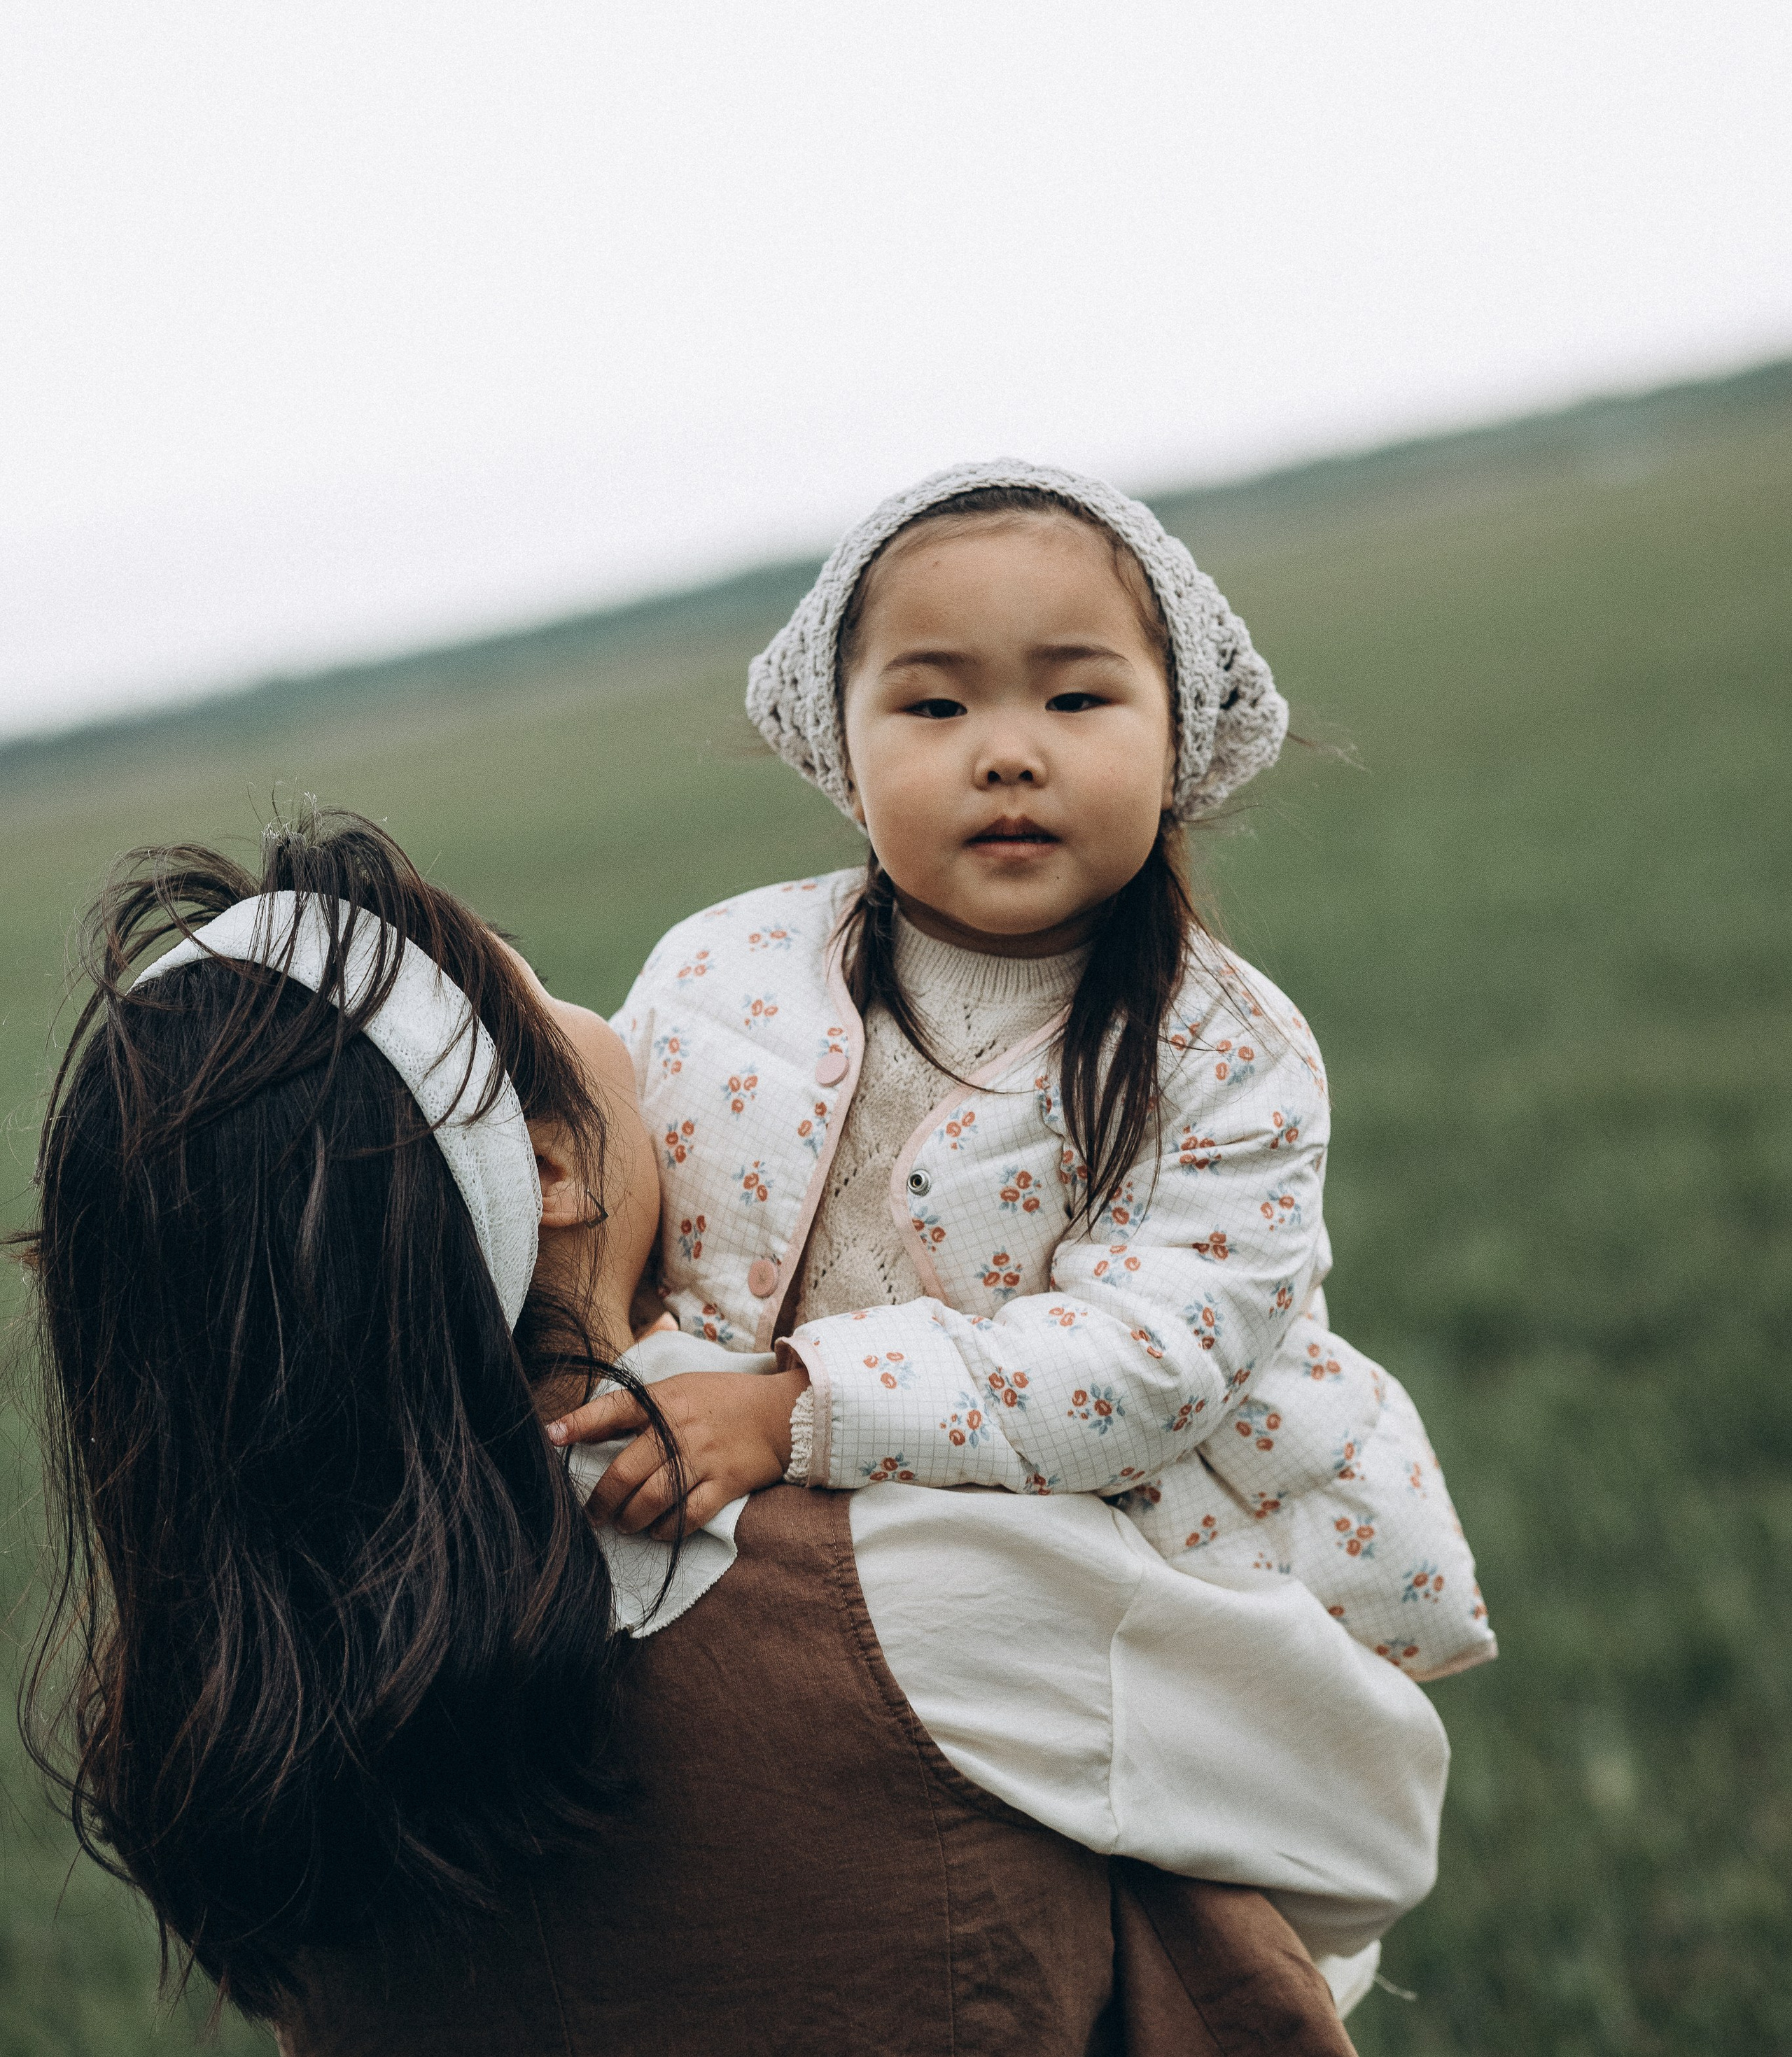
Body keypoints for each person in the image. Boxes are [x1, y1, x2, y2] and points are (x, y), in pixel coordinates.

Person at [20, 813, 1443, 2049]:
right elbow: (1362, 1826)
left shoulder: (234, 1715)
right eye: (550, 990)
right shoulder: (900, 1582)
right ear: (553, 1163)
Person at [559, 461, 1494, 1673]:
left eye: (1076, 700)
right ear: (841, 744)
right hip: (764, 1543)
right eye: (936, 709)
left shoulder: (1220, 1049)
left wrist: (799, 1409)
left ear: (1179, 730)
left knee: (1180, 1839)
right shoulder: (721, 968)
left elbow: (1145, 1367)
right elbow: (604, 1202)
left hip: (1125, 1574)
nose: (1006, 753)